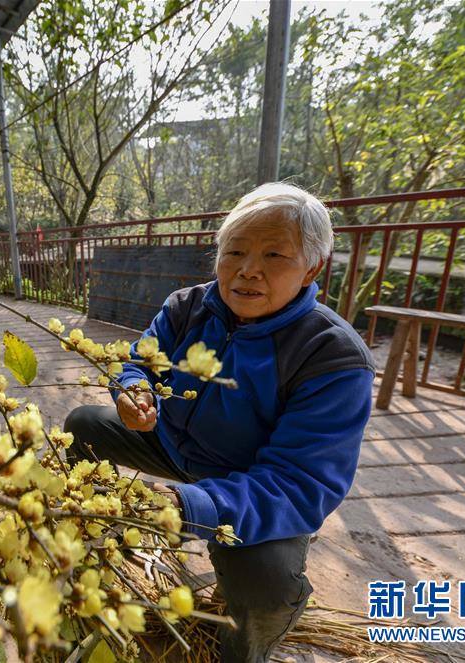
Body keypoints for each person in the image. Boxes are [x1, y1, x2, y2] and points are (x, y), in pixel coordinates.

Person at [64, 182, 375, 662]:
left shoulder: (332, 356)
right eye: (235, 252)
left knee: (267, 584)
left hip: (250, 483)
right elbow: (139, 361)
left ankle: (241, 652)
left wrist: (193, 504)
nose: (248, 270)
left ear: (312, 268)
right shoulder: (186, 307)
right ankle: (86, 541)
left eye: (274, 255)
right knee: (83, 426)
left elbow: (300, 482)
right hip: (172, 443)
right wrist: (132, 391)